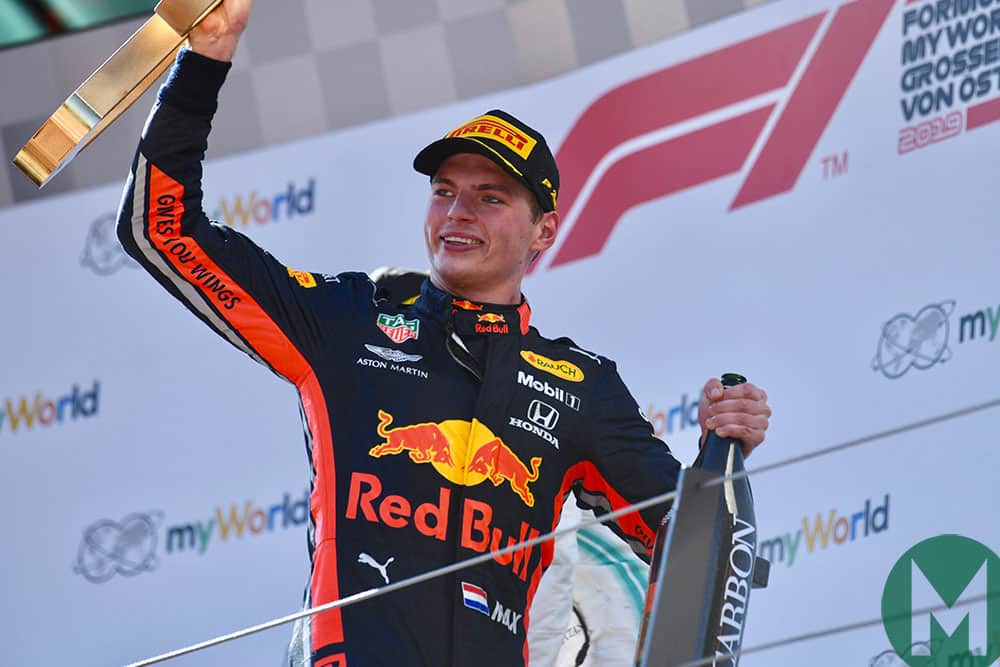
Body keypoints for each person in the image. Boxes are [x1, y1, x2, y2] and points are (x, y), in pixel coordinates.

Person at [116, 1, 772, 665]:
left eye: (491, 196)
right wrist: (205, 61)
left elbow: (691, 542)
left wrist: (724, 441)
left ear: (543, 230)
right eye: (444, 190)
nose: (458, 212)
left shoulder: (581, 385)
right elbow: (164, 231)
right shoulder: (346, 320)